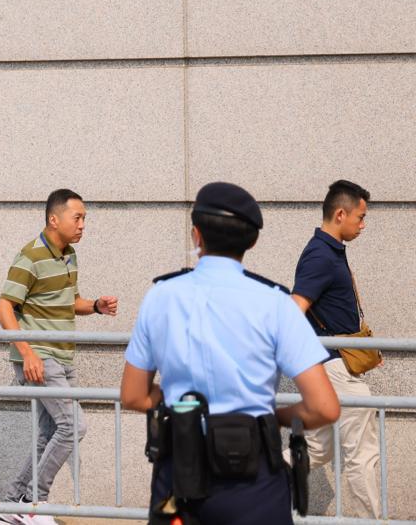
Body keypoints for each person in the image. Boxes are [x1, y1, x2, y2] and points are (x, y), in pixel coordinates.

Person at [121, 182, 341, 525]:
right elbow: (324, 407)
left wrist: (178, 399)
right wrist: (274, 416)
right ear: (252, 241)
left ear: (196, 235)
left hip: (180, 476)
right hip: (255, 481)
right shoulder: (276, 303)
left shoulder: (160, 297)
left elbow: (133, 395)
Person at [0, 189, 118, 524]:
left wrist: (95, 306)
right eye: (77, 217)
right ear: (54, 219)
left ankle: (9, 507)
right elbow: (3, 308)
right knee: (73, 426)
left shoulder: (69, 255)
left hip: (63, 356)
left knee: (50, 434)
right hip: (40, 357)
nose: (82, 225)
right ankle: (34, 501)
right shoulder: (30, 256)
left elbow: (69, 302)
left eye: (84, 218)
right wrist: (27, 353)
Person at [290, 180, 381, 518]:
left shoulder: (329, 251)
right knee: (363, 452)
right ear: (340, 214)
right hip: (334, 367)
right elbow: (294, 311)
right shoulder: (320, 256)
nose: (363, 224)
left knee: (318, 449)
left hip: (333, 363)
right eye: (360, 217)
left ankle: (249, 482)